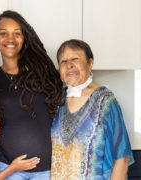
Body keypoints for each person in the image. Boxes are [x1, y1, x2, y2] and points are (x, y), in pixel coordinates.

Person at [0, 10, 63, 180]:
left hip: (46, 170)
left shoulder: (42, 74)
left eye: (16, 33)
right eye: (4, 33)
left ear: (24, 37)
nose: (10, 39)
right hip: (9, 169)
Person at [51, 39, 134, 179]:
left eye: (75, 59)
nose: (69, 65)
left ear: (90, 63)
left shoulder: (106, 101)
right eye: (63, 61)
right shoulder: (58, 100)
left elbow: (122, 159)